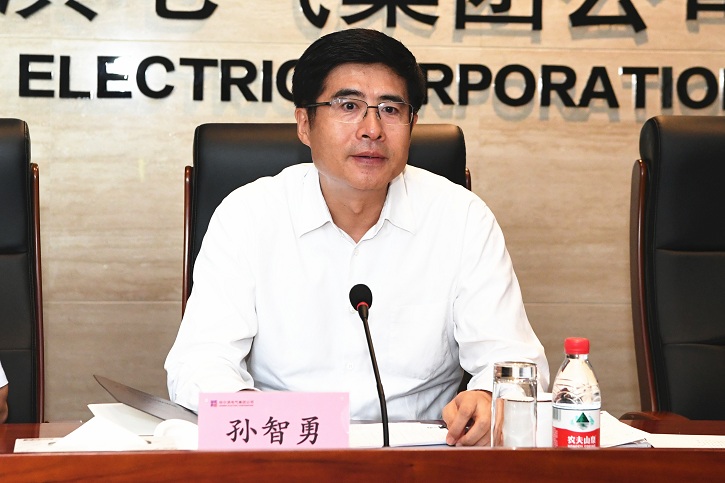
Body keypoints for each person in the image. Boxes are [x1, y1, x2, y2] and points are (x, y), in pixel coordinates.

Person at [165, 28, 549, 446]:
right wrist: (250, 415)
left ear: (412, 125)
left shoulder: (461, 218)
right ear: (304, 124)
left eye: (390, 109)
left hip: (421, 456)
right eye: (349, 106)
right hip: (283, 447)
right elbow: (201, 360)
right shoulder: (248, 215)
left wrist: (489, 396)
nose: (372, 129)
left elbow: (512, 360)